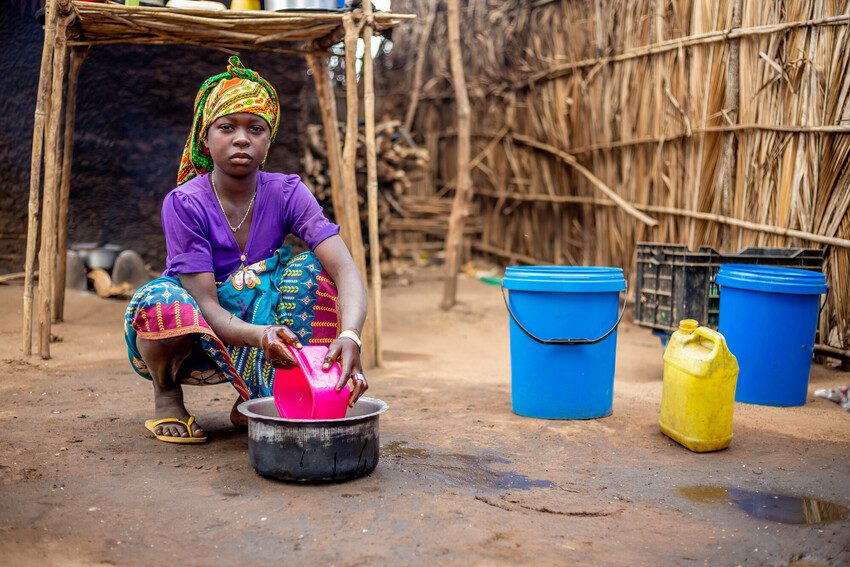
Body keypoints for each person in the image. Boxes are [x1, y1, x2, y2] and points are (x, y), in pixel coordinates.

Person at [124, 57, 369, 444]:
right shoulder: (185, 202)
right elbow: (206, 305)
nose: (242, 138)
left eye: (255, 129)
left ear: (268, 141)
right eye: (227, 127)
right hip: (202, 334)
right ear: (205, 138)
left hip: (265, 328)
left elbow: (345, 270)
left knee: (311, 270)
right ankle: (167, 393)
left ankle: (265, 394)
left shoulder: (287, 192)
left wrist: (351, 335)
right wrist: (260, 335)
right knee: (162, 302)